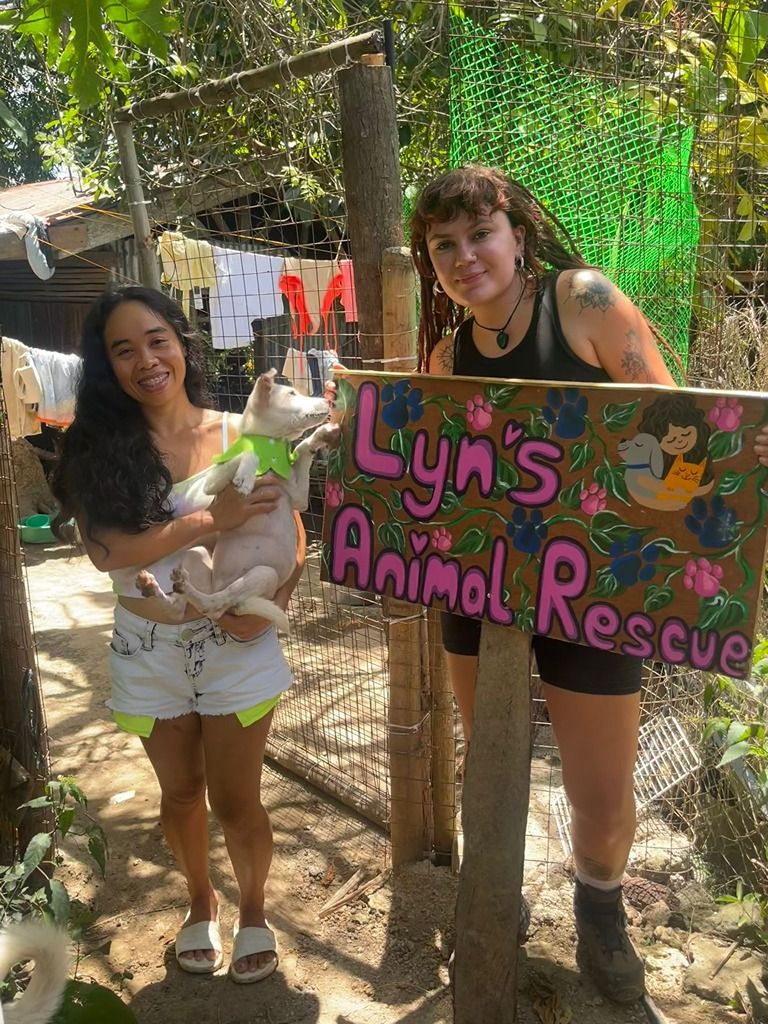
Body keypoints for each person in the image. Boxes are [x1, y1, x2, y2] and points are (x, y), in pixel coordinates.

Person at [408, 164, 768, 1002]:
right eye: (444, 247)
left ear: (518, 237)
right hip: (483, 589)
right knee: (489, 756)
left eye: (480, 236)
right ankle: (497, 896)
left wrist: (741, 455)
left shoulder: (586, 303)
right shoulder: (443, 354)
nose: (465, 258)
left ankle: (599, 912)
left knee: (599, 790)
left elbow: (683, 427)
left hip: (597, 587)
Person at [52, 286, 306, 984]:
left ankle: (253, 911)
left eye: (157, 339)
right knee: (181, 795)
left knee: (236, 798)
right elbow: (108, 553)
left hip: (239, 645)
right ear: (107, 368)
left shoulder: (241, 432)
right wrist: (207, 522)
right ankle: (201, 899)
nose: (145, 360)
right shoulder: (98, 447)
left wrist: (276, 595)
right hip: (148, 651)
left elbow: (290, 529)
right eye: (123, 350)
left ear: (182, 345)